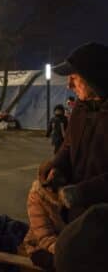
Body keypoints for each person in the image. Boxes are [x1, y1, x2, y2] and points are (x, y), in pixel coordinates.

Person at [41, 42, 108, 222]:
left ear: (93, 79)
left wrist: (83, 192)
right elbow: (69, 145)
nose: (69, 85)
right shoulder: (81, 108)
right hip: (76, 213)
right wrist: (57, 167)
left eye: (74, 77)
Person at [23, 162, 67, 271]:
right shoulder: (37, 195)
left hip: (67, 246)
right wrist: (68, 252)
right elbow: (44, 236)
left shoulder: (75, 194)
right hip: (40, 247)